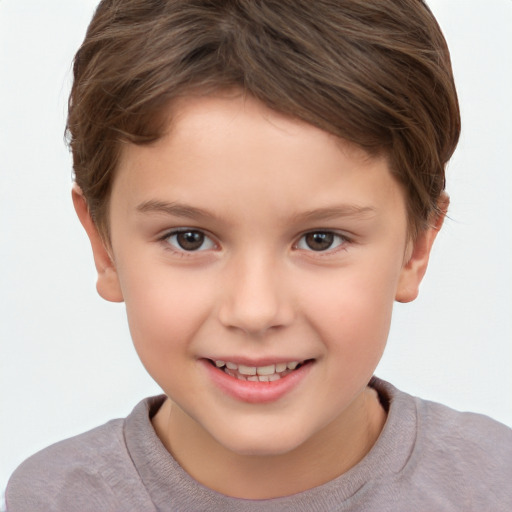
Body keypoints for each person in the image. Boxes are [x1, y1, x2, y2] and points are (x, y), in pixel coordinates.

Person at [5, 0, 512, 510]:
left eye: (321, 239)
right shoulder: (53, 498)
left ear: (416, 248)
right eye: (189, 238)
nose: (254, 311)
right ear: (104, 246)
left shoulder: (495, 485)